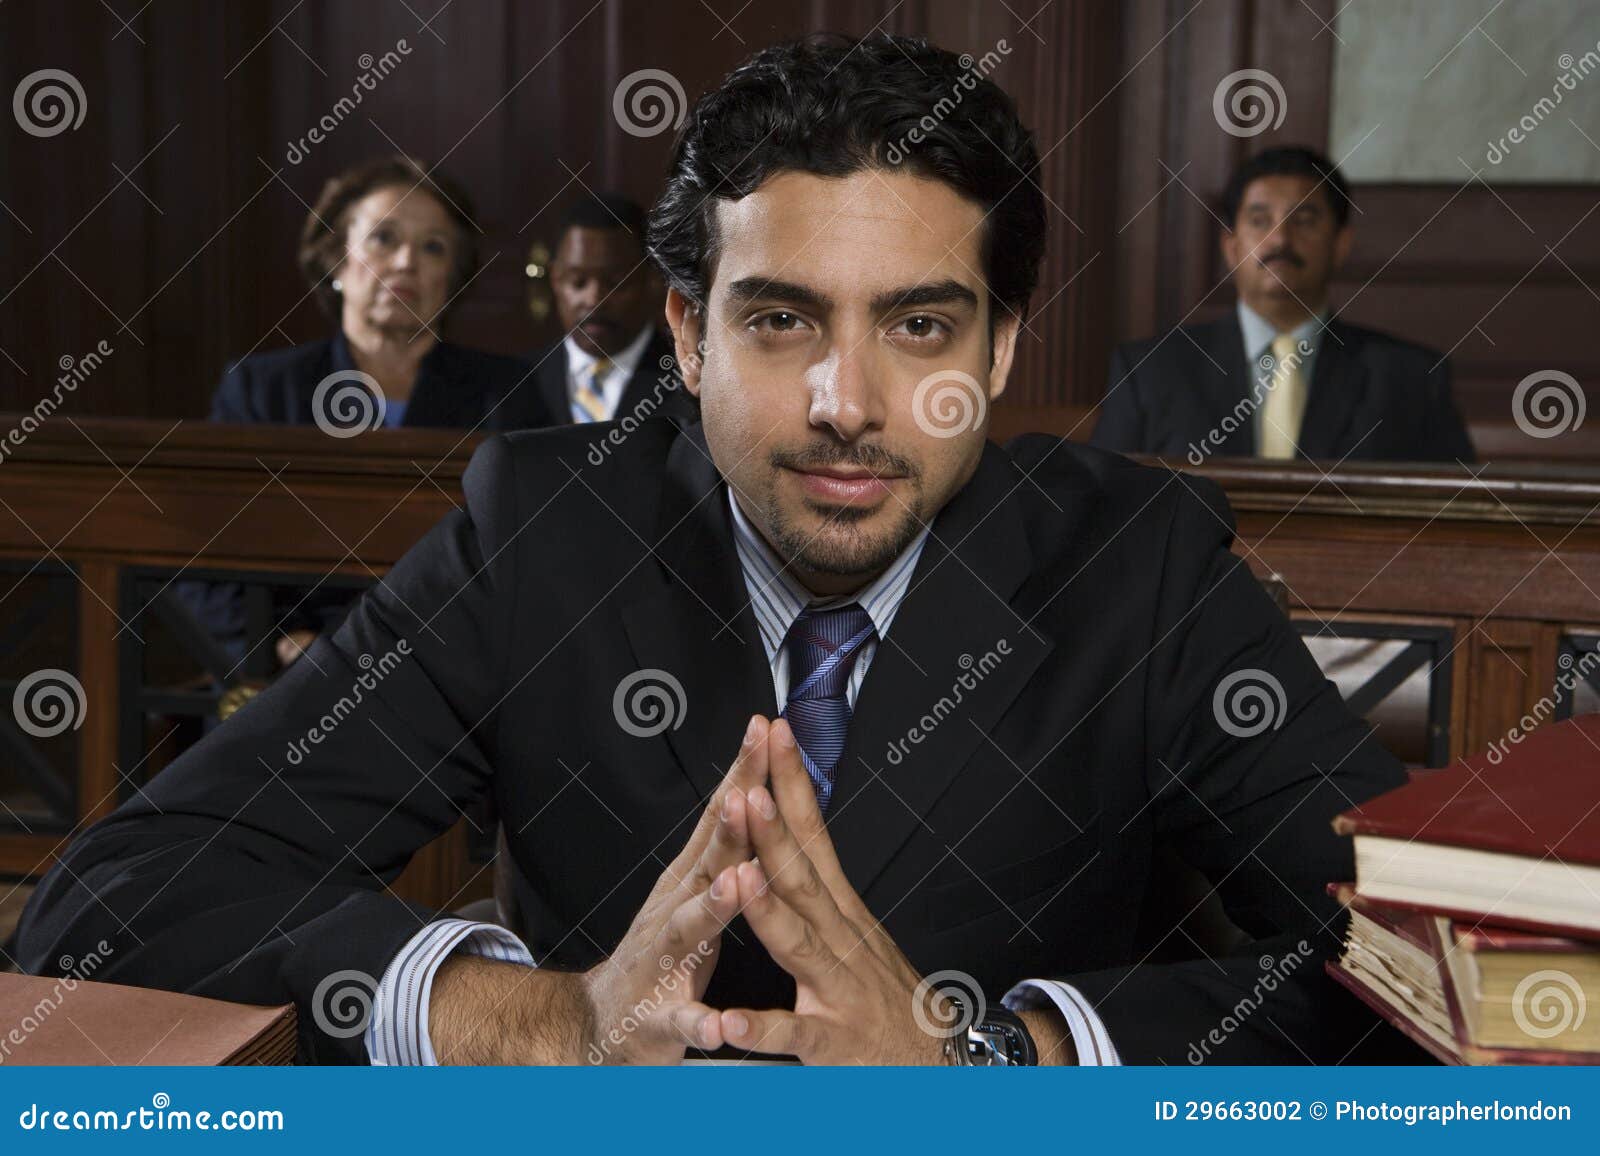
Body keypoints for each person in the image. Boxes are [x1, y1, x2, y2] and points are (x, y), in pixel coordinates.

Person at [17, 34, 1405, 1067]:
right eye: (781, 320)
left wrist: (995, 1063)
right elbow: (111, 908)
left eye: (919, 326)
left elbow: (1420, 966)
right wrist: (548, 1018)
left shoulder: (1137, 565)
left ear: (999, 348)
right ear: (685, 336)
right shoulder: (545, 541)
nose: (846, 403)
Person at [195, 155, 535, 667]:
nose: (405, 262)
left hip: (449, 672)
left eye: (433, 248)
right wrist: (279, 645)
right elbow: (199, 553)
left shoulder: (509, 393)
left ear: (453, 277)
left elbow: (527, 559)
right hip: (289, 678)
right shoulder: (261, 390)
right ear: (336, 259)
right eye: (384, 238)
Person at [1091, 146, 1474, 463]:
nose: (1279, 240)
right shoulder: (1151, 371)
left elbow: (1456, 523)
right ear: (1231, 247)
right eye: (1260, 220)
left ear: (1340, 244)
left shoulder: (1410, 380)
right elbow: (1107, 514)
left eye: (1304, 220)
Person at [503, 192, 692, 429]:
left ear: (652, 282)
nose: (594, 299)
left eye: (615, 282)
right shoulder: (515, 381)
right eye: (578, 282)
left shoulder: (687, 379)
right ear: (555, 281)